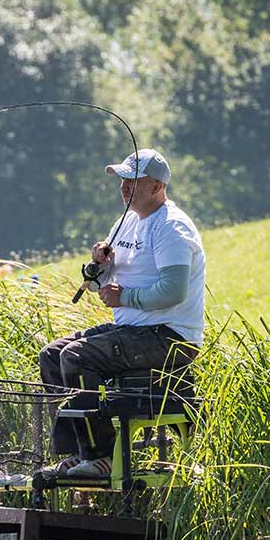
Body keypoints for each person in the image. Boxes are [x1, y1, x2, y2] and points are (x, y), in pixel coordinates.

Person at [39, 147, 205, 477]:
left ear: (157, 187)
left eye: (132, 180)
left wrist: (125, 296)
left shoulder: (171, 228)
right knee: (51, 354)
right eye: (122, 180)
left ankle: (102, 456)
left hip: (168, 337)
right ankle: (78, 452)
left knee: (76, 357)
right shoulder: (126, 222)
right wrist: (98, 265)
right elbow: (98, 284)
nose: (124, 187)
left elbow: (174, 291)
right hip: (132, 331)